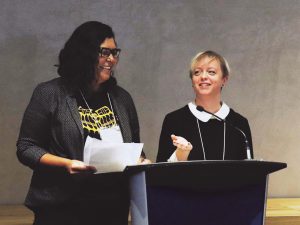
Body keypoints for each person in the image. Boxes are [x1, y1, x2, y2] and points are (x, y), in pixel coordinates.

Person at [17, 21, 149, 225]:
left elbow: (135, 147)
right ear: (84, 52)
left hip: (112, 208)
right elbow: (26, 148)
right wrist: (66, 164)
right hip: (62, 208)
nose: (112, 59)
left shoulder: (122, 98)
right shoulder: (51, 93)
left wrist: (141, 161)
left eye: (115, 53)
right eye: (105, 52)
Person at [156, 50, 253, 162]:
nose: (203, 77)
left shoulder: (239, 125)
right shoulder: (174, 120)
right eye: (197, 72)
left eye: (211, 72)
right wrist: (181, 153)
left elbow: (250, 173)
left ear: (224, 79)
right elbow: (160, 172)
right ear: (192, 81)